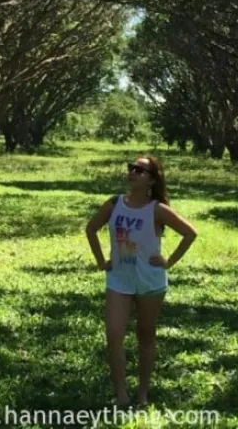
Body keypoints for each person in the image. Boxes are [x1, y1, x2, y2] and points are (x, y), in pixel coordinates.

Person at [85, 155, 198, 408]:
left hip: (150, 282)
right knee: (114, 335)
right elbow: (91, 229)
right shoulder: (114, 204)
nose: (133, 172)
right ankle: (122, 395)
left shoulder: (157, 209)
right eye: (131, 168)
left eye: (140, 170)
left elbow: (190, 233)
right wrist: (101, 262)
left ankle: (143, 393)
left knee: (145, 335)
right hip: (119, 280)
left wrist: (169, 261)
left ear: (151, 179)